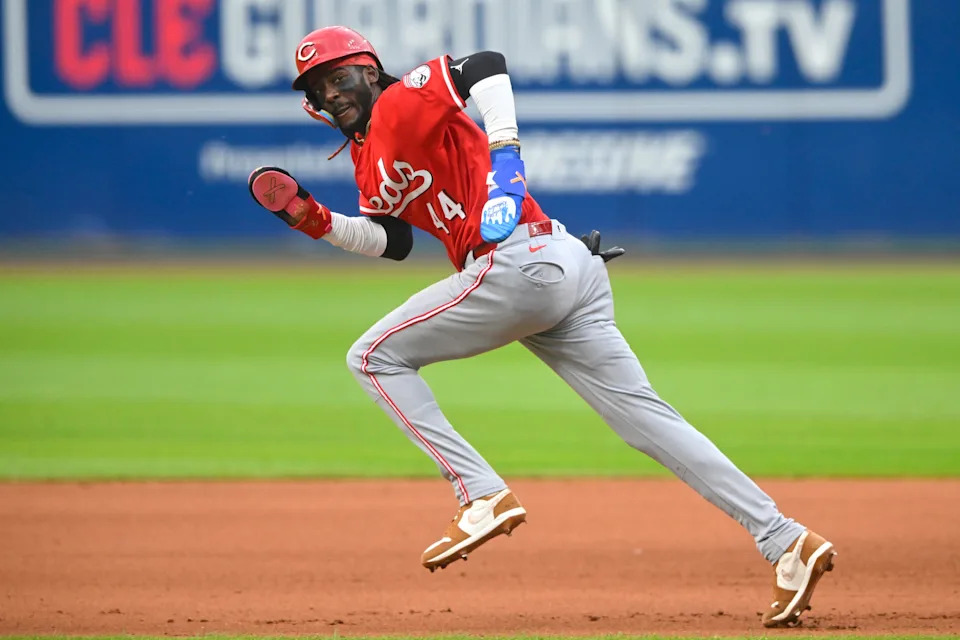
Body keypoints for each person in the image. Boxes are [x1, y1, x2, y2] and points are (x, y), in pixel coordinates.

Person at [247, 26, 836, 628]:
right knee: (649, 423)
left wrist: (506, 156)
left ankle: (480, 493)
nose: (332, 93)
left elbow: (484, 65)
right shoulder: (368, 158)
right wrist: (314, 220)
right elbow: (394, 241)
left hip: (518, 265)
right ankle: (785, 538)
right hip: (558, 267)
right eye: (319, 89)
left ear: (370, 71)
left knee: (371, 358)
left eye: (339, 77)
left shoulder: (404, 98)